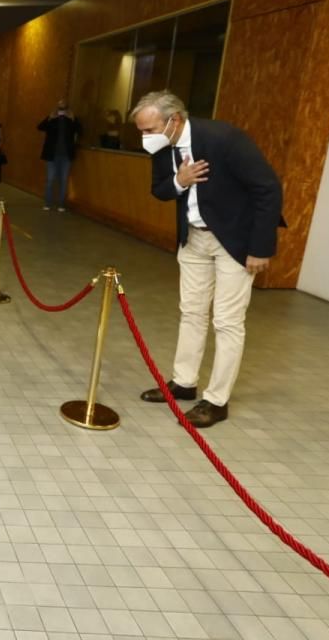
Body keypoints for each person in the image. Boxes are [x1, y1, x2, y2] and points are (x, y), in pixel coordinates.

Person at [130, 90, 285, 427]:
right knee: (191, 312)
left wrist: (260, 247)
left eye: (149, 129)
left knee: (227, 321)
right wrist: (179, 181)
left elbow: (268, 188)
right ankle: (184, 383)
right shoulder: (162, 147)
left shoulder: (225, 139)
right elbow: (159, 189)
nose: (145, 137)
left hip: (234, 241)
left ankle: (216, 401)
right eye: (141, 131)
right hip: (194, 239)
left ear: (175, 120)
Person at [36, 99, 82, 211]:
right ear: (56, 108)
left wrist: (74, 118)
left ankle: (61, 204)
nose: (62, 111)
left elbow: (81, 130)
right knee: (50, 179)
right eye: (60, 108)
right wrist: (50, 117)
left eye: (64, 108)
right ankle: (47, 203)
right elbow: (40, 127)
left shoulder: (71, 120)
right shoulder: (52, 119)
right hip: (52, 155)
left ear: (67, 109)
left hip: (66, 155)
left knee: (64, 180)